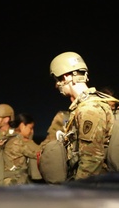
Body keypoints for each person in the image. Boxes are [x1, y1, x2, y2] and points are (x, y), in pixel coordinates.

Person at [42, 51, 115, 181]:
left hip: (92, 187)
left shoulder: (89, 109)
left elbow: (91, 160)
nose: (56, 85)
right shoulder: (85, 106)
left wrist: (79, 190)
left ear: (65, 77)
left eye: (57, 80)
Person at [1, 112, 41, 185]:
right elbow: (40, 153)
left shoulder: (10, 137)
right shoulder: (21, 142)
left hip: (5, 179)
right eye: (30, 128)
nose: (32, 131)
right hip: (15, 182)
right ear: (22, 126)